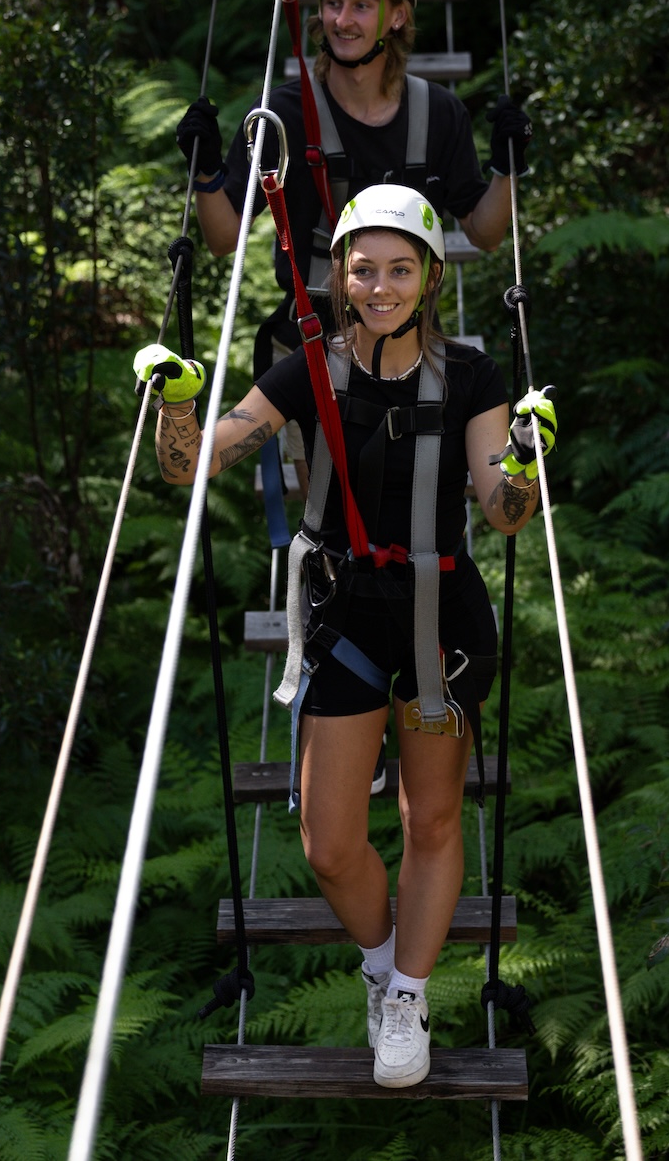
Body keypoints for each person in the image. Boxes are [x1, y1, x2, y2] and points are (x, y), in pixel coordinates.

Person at [132, 185, 558, 1090]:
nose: (379, 286)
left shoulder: (474, 377)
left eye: (399, 269)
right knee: (330, 842)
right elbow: (196, 461)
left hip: (439, 620)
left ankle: (408, 993)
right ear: (338, 276)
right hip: (343, 615)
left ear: (431, 277)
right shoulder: (309, 369)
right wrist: (178, 403)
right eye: (363, 269)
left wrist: (523, 457)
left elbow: (504, 509)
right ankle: (379, 964)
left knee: (430, 817)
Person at [174, 0, 533, 380]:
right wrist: (205, 169)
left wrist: (505, 167)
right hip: (309, 340)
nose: (342, 20)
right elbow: (224, 239)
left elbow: (485, 233)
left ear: (398, 15)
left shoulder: (439, 113)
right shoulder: (284, 114)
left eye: (361, 4)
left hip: (409, 341)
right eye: (332, 2)